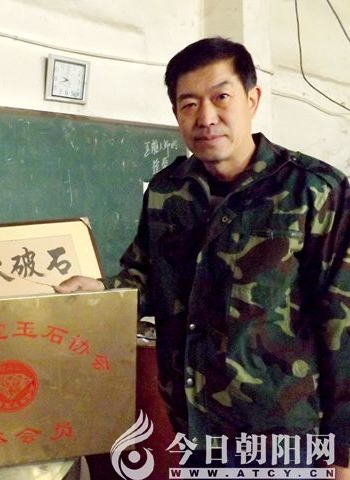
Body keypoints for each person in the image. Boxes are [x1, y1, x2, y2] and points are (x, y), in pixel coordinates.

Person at [56, 37, 350, 477]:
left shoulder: (314, 190)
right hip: (195, 423)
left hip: (282, 433)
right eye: (189, 104)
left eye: (221, 98)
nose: (206, 117)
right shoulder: (168, 191)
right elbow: (145, 278)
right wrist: (101, 290)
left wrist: (343, 451)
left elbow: (342, 321)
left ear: (252, 99)